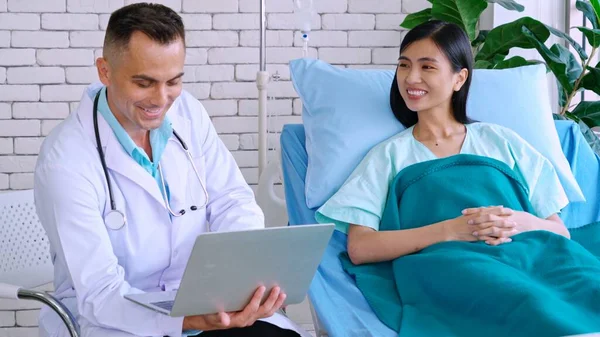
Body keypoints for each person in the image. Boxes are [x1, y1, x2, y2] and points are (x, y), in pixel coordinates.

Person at [33, 3, 309, 337]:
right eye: (144, 83)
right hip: (117, 320)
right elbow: (101, 295)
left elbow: (232, 200)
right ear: (105, 71)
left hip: (199, 300)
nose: (162, 99)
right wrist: (190, 321)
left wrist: (242, 281)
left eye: (173, 81)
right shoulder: (66, 160)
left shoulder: (188, 114)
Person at [315, 19, 571, 266]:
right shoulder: (389, 155)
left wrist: (513, 221)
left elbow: (560, 232)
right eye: (404, 65)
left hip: (527, 259)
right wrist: (451, 230)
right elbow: (361, 248)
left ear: (459, 78)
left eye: (427, 67)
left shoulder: (502, 142)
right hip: (449, 271)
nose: (411, 78)